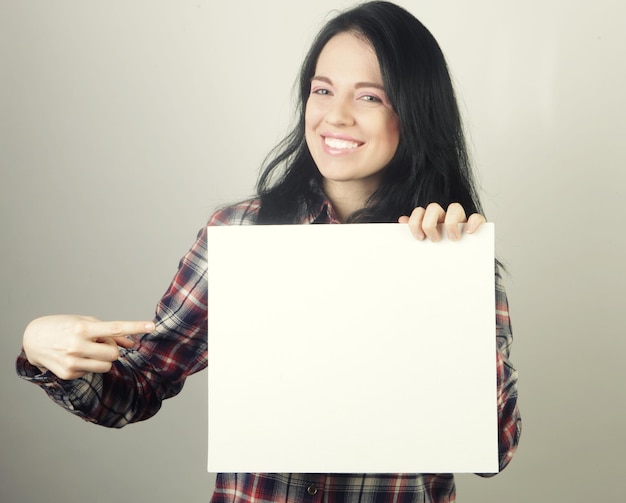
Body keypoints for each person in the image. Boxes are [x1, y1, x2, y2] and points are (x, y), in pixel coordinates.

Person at [16, 2, 521, 502]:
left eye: (370, 97)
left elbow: (493, 455)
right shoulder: (238, 232)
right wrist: (47, 349)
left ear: (415, 112)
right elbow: (137, 389)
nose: (335, 115)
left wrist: (455, 291)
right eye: (322, 90)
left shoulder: (450, 256)